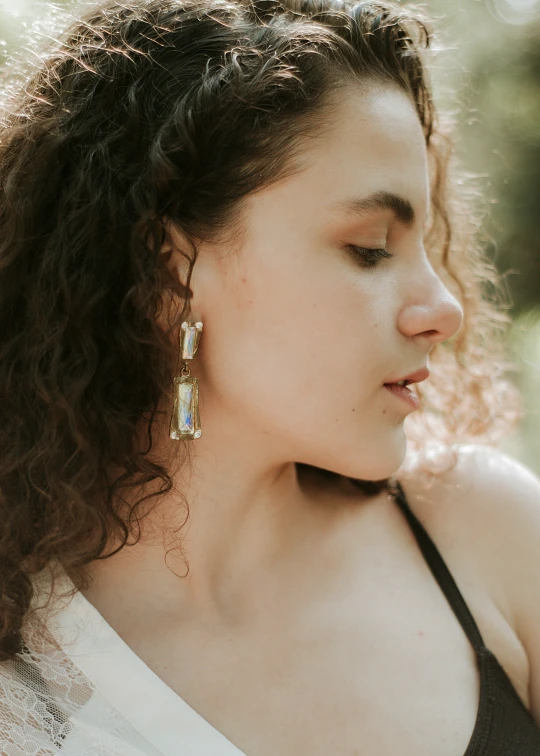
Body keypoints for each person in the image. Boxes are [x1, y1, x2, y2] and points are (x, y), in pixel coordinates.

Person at [0, 0, 539, 753]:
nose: (443, 308)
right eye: (371, 247)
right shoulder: (25, 691)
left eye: (426, 239)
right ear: (172, 273)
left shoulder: (489, 533)